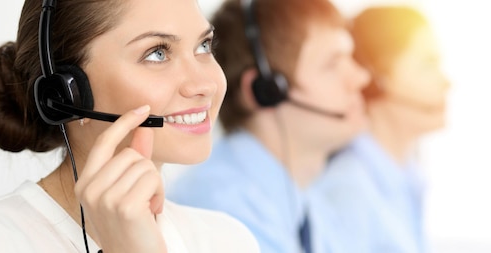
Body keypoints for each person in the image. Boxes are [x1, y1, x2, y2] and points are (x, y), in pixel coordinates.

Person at [0, 0, 260, 252]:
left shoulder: (226, 240)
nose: (205, 83)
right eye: (157, 53)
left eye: (203, 45)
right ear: (67, 92)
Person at [167, 0, 369, 252]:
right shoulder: (223, 206)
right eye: (332, 64)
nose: (361, 77)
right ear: (266, 90)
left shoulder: (303, 201)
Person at [314, 6, 451, 253]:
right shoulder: (347, 192)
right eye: (428, 64)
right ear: (375, 81)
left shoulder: (405, 178)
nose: (447, 81)